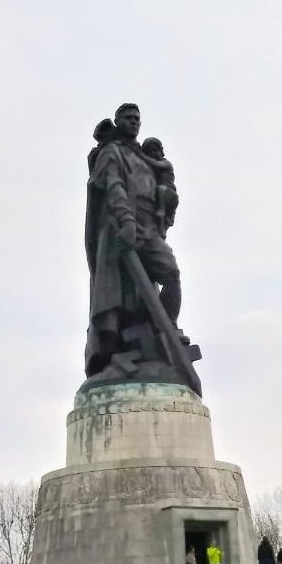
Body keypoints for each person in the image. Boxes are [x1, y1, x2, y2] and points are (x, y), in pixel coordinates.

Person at [84, 103, 183, 378]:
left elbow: (165, 188)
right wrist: (126, 221)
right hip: (123, 225)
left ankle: (165, 328)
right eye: (128, 118)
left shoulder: (144, 157)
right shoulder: (111, 152)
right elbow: (112, 184)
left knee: (171, 274)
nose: (134, 122)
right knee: (118, 294)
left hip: (149, 227)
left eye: (137, 119)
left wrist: (166, 196)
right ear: (118, 121)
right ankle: (116, 348)